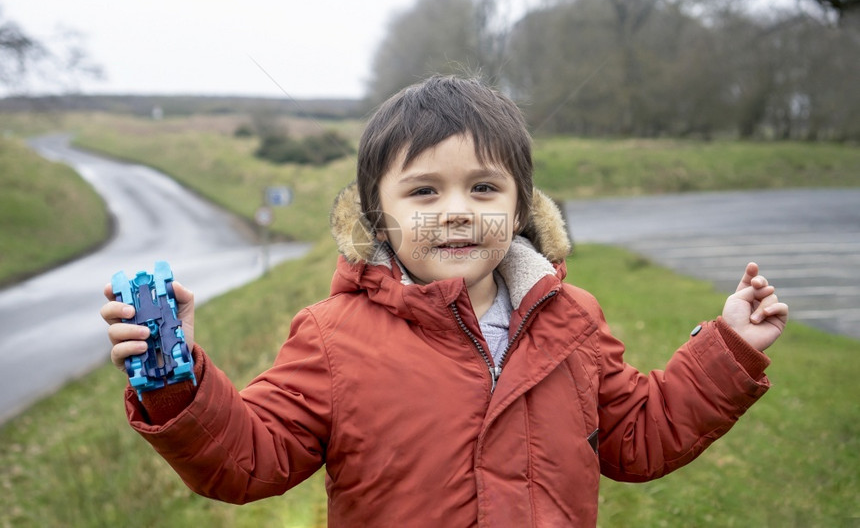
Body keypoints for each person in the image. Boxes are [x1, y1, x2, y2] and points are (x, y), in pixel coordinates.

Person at [101, 75, 788, 527]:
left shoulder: (572, 319)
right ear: (379, 214)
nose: (457, 212)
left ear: (521, 206)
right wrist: (179, 384)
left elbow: (640, 438)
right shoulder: (333, 337)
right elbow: (248, 458)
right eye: (424, 191)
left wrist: (726, 350)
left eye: (484, 188)